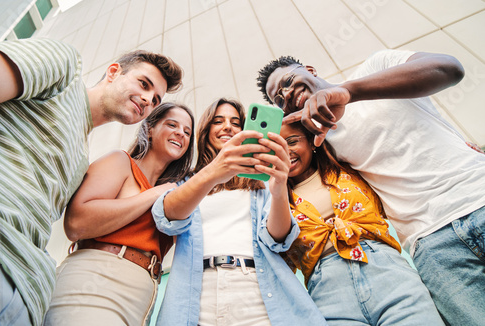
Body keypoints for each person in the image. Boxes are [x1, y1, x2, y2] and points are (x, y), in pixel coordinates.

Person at [257, 52, 485, 325]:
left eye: (288, 80)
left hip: (478, 194)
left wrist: (347, 92)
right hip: (429, 241)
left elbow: (450, 69)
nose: (286, 94)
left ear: (309, 69)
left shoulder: (377, 67)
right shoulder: (322, 144)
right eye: (278, 100)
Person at [0, 38, 182, 326]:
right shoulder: (64, 69)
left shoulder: (81, 159)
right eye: (144, 84)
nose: (148, 100)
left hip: (26, 294)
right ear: (113, 72)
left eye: (155, 100)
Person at [152, 98, 327, 325]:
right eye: (218, 121)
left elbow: (279, 239)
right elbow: (167, 218)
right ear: (206, 131)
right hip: (197, 297)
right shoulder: (185, 183)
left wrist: (279, 191)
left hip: (258, 291)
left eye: (236, 122)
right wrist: (216, 170)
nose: (228, 127)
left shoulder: (261, 183)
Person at [43, 102, 194, 326]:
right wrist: (152, 195)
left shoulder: (174, 195)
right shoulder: (120, 161)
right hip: (96, 285)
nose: (180, 133)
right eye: (172, 124)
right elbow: (76, 223)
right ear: (149, 129)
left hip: (143, 301)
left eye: (187, 131)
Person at [280, 121, 444, 325]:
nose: (285, 151)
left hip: (388, 273)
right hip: (328, 291)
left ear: (313, 142)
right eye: (275, 148)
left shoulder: (347, 168)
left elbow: (401, 160)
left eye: (292, 141)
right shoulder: (272, 202)